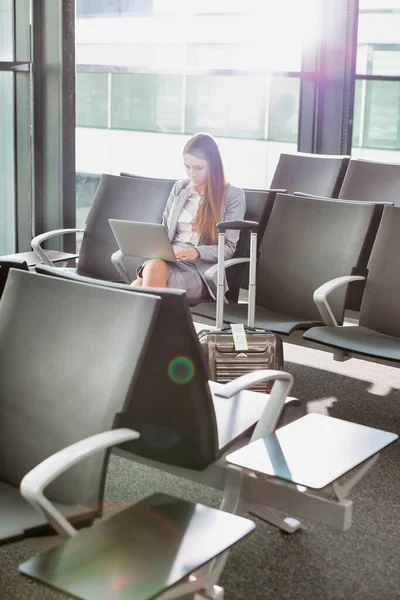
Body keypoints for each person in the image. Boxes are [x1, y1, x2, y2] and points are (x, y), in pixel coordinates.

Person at [132, 132, 246, 302]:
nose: (191, 174)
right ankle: (165, 328)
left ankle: (154, 328)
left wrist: (196, 252)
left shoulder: (232, 196)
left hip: (200, 270)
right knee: (142, 280)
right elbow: (164, 230)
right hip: (169, 261)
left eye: (198, 168)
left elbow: (228, 248)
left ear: (213, 166)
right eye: (187, 167)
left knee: (139, 285)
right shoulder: (180, 188)